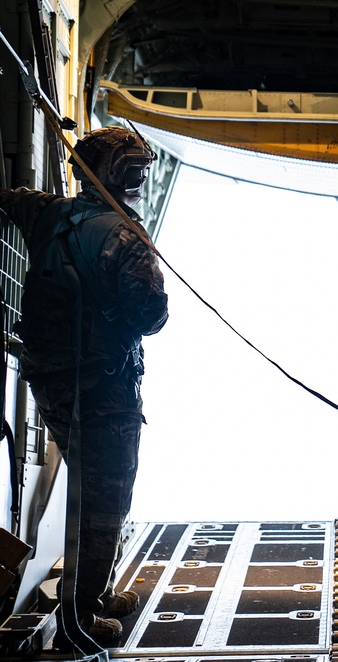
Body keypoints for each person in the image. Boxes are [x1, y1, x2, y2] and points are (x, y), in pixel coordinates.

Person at [0, 126, 169, 647]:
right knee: (106, 497)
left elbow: (10, 200)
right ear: (118, 173)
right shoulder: (126, 238)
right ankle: (82, 616)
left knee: (88, 484)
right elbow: (150, 318)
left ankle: (94, 592)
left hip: (52, 383)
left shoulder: (47, 213)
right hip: (104, 388)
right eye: (135, 169)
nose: (140, 178)